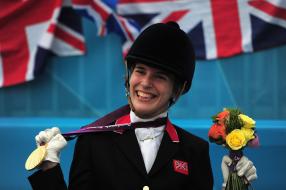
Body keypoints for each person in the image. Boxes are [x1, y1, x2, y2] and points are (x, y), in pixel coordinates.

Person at [28, 22, 257, 190]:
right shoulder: (93, 142)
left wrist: (234, 187)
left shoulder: (194, 151)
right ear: (129, 77)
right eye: (140, 71)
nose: (145, 83)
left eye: (160, 77)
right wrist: (49, 168)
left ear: (178, 89)